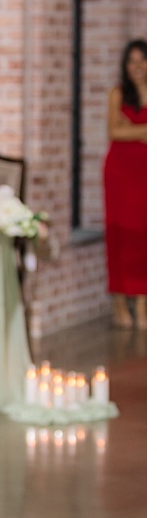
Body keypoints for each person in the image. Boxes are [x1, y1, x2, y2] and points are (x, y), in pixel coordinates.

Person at [103, 38, 145, 330]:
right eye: (132, 61)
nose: (137, 67)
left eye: (142, 60)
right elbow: (114, 131)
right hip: (120, 172)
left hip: (146, 172)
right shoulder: (118, 93)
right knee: (120, 234)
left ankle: (142, 301)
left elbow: (126, 129)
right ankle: (119, 301)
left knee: (144, 235)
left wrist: (134, 129)